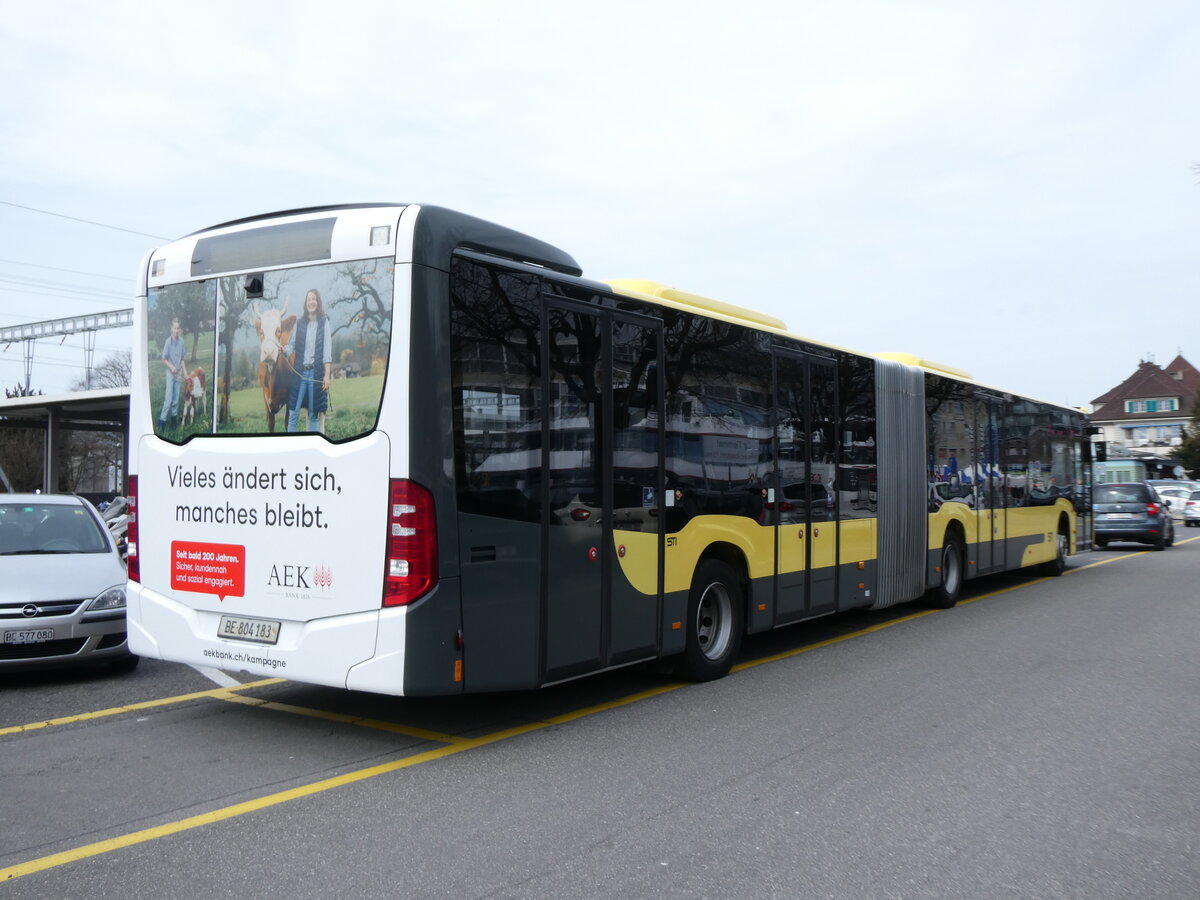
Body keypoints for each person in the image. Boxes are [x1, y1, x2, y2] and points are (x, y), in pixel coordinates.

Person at [286, 289, 333, 433]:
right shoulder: (299, 323)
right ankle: (290, 448)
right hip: (299, 374)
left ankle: (310, 449)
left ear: (317, 302)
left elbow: (327, 351)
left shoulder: (324, 322)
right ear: (305, 304)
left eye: (313, 299)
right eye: (308, 300)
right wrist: (285, 350)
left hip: (315, 375)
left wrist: (326, 376)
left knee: (313, 416)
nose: (311, 302)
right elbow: (292, 345)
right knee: (293, 414)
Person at [157, 317, 185, 430]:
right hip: (170, 374)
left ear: (180, 329)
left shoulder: (182, 342)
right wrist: (171, 367)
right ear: (171, 329)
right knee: (168, 400)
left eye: (178, 328)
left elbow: (182, 359)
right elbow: (163, 359)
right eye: (174, 328)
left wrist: (185, 373)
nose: (176, 330)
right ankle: (161, 423)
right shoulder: (168, 342)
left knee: (176, 400)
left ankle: (174, 423)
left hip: (178, 374)